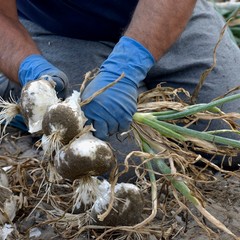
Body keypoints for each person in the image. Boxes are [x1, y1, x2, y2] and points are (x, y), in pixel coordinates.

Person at [0, 0, 240, 178]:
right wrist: (30, 68)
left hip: (164, 10)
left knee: (230, 137)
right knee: (130, 170)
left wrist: (127, 63)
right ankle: (17, 90)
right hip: (57, 29)